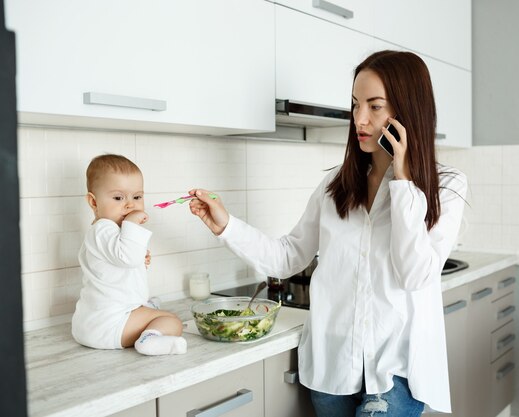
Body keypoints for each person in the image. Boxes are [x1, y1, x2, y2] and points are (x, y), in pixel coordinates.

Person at [188, 50, 466, 416]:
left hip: (395, 373)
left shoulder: (445, 187)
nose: (359, 119)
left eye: (375, 106)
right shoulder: (335, 185)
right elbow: (288, 257)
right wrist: (226, 225)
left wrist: (402, 181)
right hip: (331, 370)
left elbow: (415, 275)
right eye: (355, 105)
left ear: (408, 111)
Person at [71, 154, 187, 356]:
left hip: (93, 324)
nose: (130, 205)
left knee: (151, 307)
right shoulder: (103, 229)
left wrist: (140, 258)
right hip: (109, 326)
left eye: (137, 197)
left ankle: (143, 307)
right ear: (93, 202)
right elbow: (128, 257)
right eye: (118, 197)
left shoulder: (108, 232)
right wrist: (132, 224)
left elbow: (122, 262)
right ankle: (149, 340)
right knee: (171, 321)